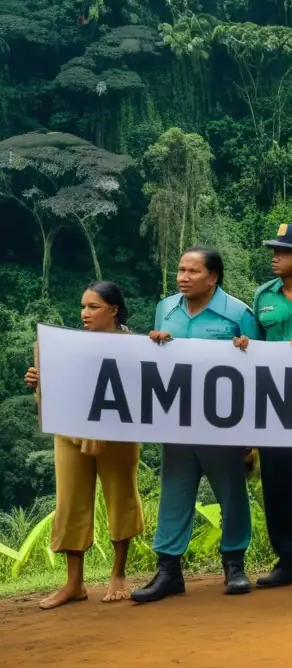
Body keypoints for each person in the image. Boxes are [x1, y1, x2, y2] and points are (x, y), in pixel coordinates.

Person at [131, 246, 261, 603]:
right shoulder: (165, 309)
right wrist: (154, 342)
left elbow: (260, 370)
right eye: (180, 270)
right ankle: (168, 570)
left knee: (232, 494)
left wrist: (252, 431)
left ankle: (234, 564)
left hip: (223, 426)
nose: (182, 277)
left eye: (192, 271)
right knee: (174, 493)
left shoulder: (238, 313)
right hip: (176, 422)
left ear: (213, 277)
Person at [24, 282, 145, 610]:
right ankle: (73, 583)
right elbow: (51, 379)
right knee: (70, 502)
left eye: (93, 307)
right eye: (83, 306)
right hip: (69, 430)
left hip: (117, 432)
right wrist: (38, 377)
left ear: (113, 310)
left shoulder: (134, 346)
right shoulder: (67, 345)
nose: (84, 313)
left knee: (121, 496)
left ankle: (118, 573)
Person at [233, 224, 292, 587]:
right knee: (277, 483)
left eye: (282, 251)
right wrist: (246, 345)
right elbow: (256, 345)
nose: (274, 256)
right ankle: (288, 561)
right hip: (273, 402)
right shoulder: (263, 296)